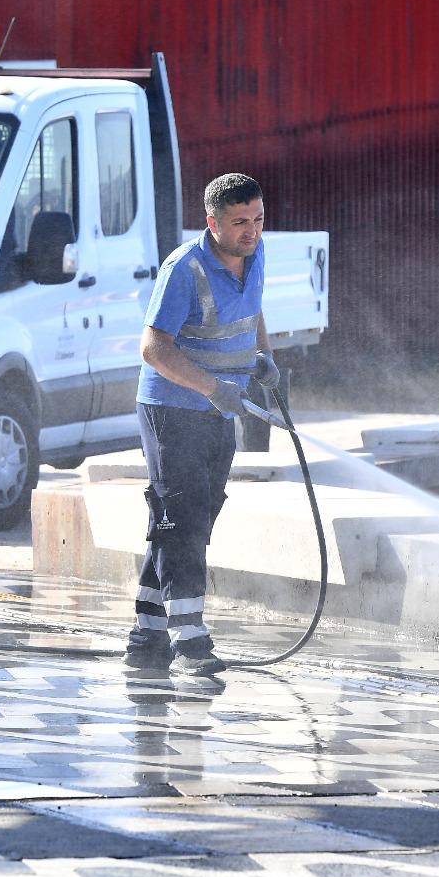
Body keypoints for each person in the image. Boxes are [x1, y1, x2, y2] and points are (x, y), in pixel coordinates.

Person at [123, 172, 282, 677]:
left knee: (194, 516)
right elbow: (153, 349)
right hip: (173, 409)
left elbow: (251, 306)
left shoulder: (255, 253)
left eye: (258, 219)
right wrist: (212, 387)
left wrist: (263, 356)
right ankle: (190, 639)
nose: (251, 231)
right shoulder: (184, 269)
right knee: (183, 518)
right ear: (212, 223)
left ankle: (147, 633)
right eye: (239, 222)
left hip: (219, 410)